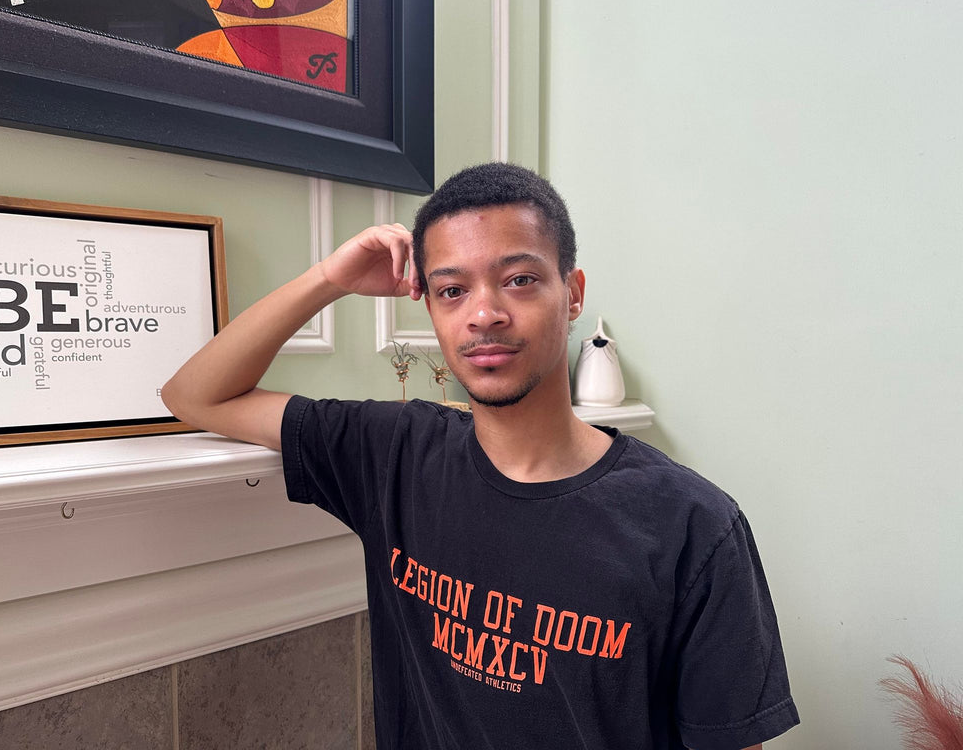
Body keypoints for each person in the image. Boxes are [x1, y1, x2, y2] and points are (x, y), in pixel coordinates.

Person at [162, 162, 799, 750]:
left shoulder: (693, 524)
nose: (484, 314)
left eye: (520, 281)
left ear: (572, 294)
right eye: (451, 290)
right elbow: (194, 395)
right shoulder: (394, 453)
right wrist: (329, 279)